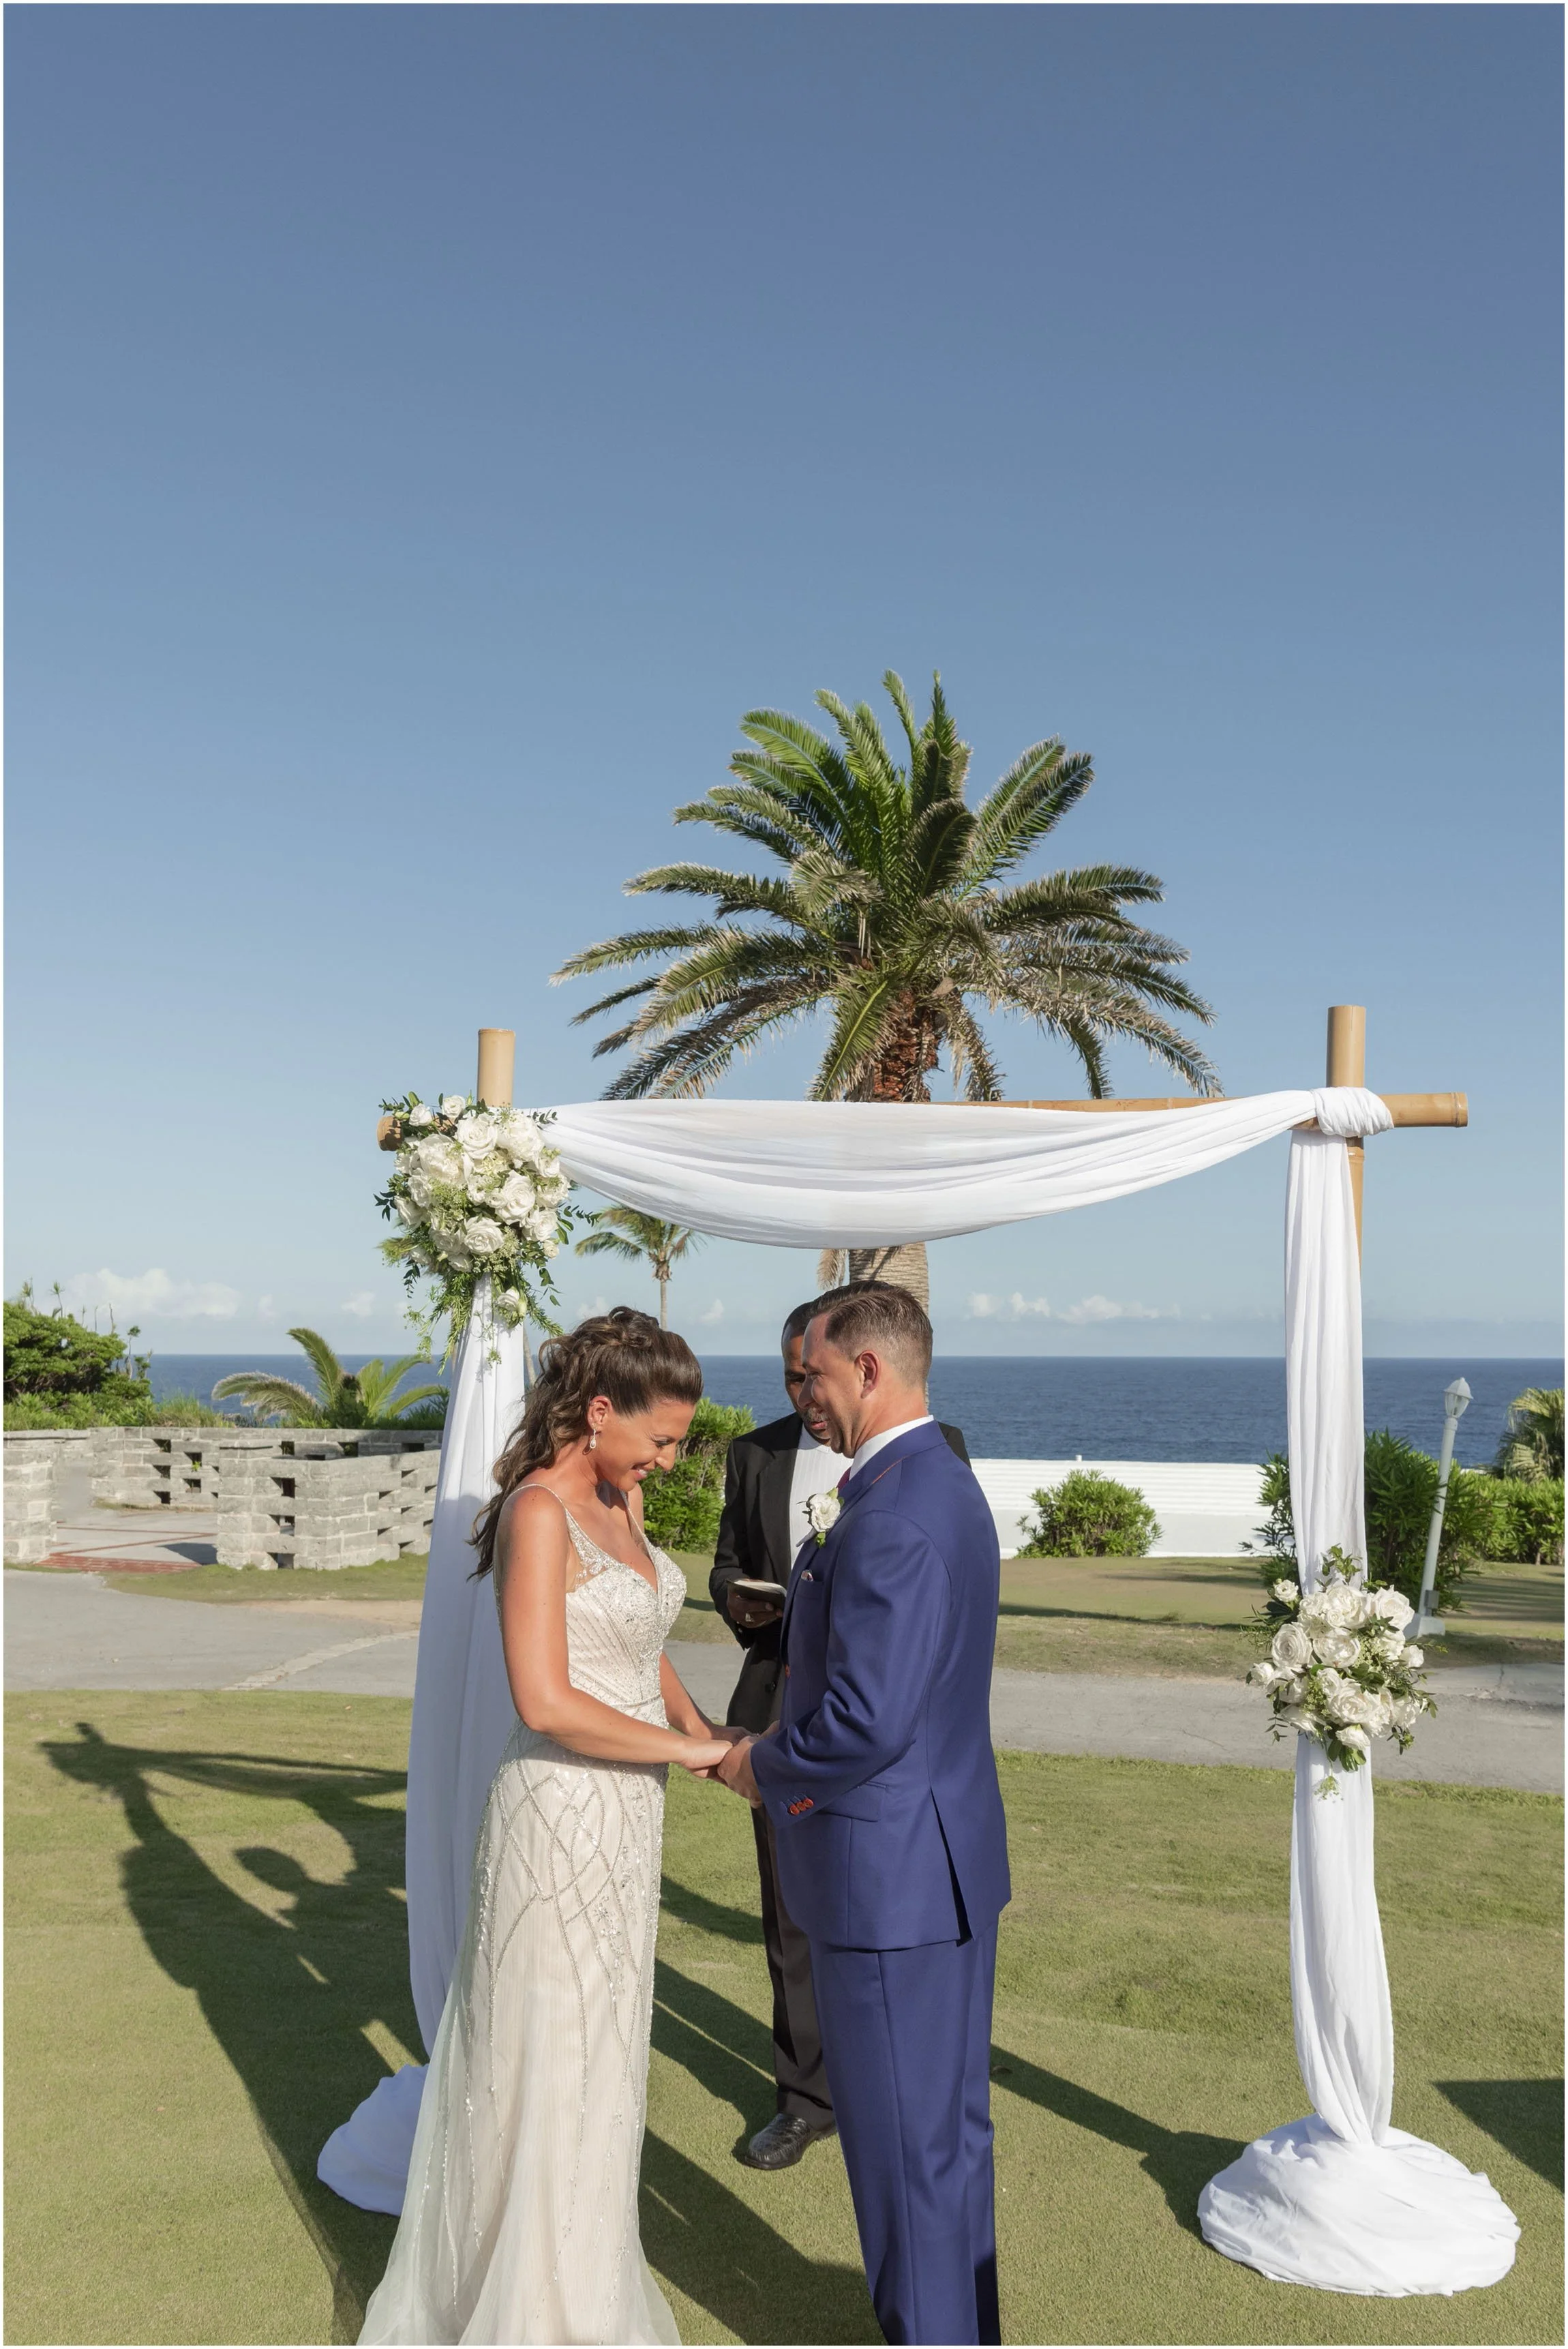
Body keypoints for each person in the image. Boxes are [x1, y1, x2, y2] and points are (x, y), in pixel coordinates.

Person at [359, 1308, 737, 2347]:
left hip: (628, 1820)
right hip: (558, 1813)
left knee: (604, 2053)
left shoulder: (622, 1496)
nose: (669, 1459)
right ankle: (525, 2310)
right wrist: (692, 1752)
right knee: (545, 2053)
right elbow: (547, 1700)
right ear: (599, 1409)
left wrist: (710, 1735)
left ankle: (583, 2274)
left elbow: (636, 1632)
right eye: (660, 1438)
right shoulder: (538, 1511)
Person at [717, 1284, 1010, 2347]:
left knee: (901, 2154)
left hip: (887, 1886)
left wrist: (764, 1766)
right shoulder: (936, 1482)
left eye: (821, 1377)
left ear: (871, 1371)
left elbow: (864, 1720)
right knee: (943, 2142)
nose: (810, 1399)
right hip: (938, 1865)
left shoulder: (893, 1511)